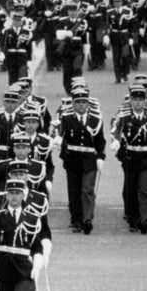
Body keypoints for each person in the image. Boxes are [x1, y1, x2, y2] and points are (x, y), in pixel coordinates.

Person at [110, 83, 147, 234]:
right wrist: (116, 144)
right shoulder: (125, 118)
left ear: (145, 101)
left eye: (141, 100)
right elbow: (116, 133)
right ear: (131, 101)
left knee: (145, 189)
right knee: (130, 190)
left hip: (145, 159)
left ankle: (145, 220)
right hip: (130, 158)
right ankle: (133, 220)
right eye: (135, 99)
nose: (138, 102)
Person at [57, 86, 105, 233]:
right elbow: (61, 137)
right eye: (78, 102)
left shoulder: (95, 120)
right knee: (74, 192)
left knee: (87, 189)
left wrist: (100, 157)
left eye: (84, 102)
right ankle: (76, 219)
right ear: (73, 104)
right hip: (72, 160)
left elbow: (100, 141)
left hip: (89, 161)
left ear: (88, 103)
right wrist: (59, 143)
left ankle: (87, 219)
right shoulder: (66, 119)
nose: (81, 105)